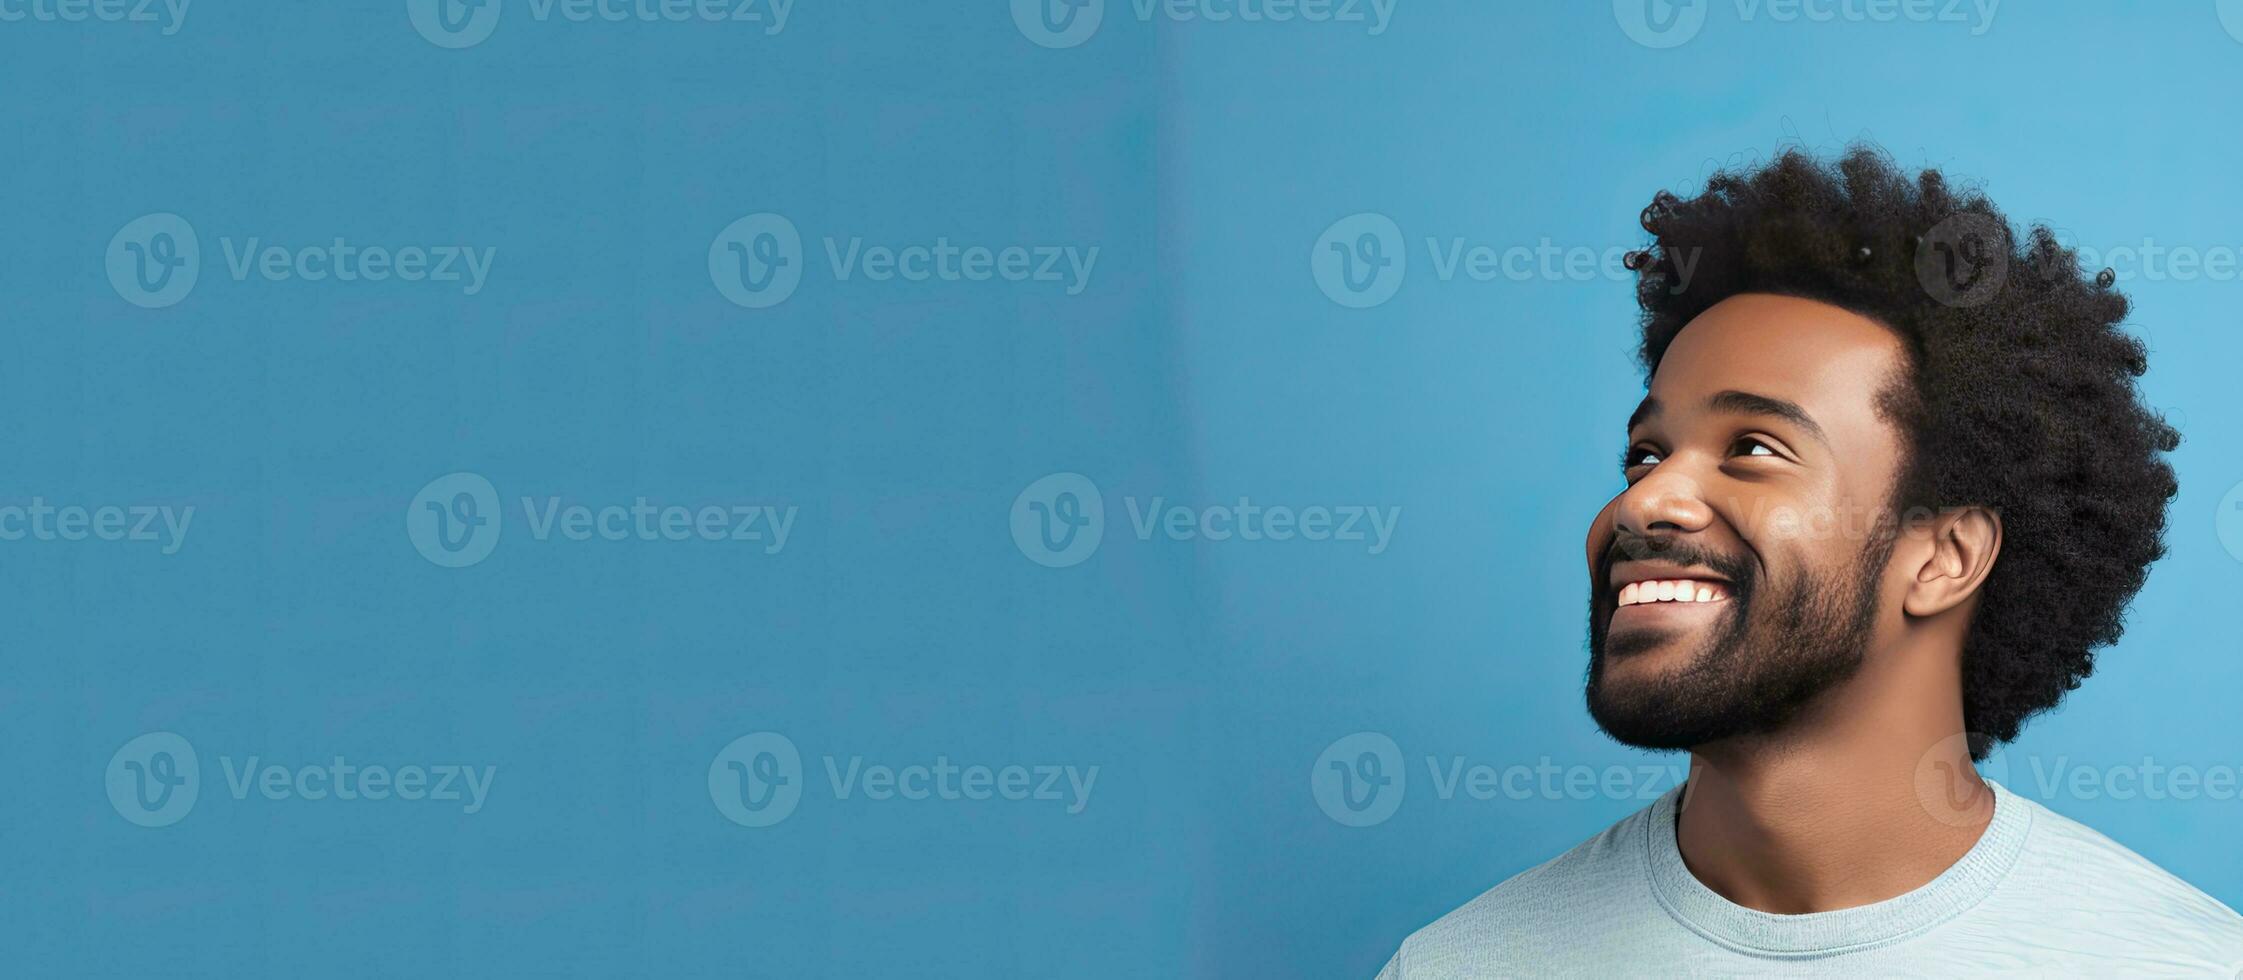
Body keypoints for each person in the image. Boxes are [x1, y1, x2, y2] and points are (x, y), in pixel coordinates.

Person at [1378, 147, 2243, 975]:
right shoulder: (1460, 966)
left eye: (1752, 447)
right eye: (1644, 455)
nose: (1641, 503)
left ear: (1942, 556)